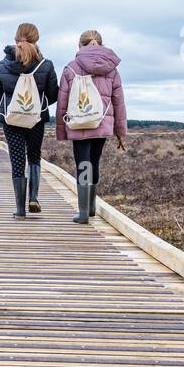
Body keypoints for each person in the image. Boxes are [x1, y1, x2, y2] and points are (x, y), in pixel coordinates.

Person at [55, 29, 127, 224]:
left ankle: (84, 211)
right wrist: (120, 131)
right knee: (94, 161)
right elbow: (118, 101)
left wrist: (61, 130)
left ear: (80, 45)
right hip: (102, 123)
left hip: (79, 123)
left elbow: (62, 101)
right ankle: (92, 207)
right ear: (101, 45)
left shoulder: (71, 68)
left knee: (83, 164)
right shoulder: (112, 69)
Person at [0, 23, 57, 218]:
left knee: (17, 160)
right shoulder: (47, 65)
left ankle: (19, 209)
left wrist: (9, 104)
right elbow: (53, 94)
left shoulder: (2, 66)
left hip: (11, 120)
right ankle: (33, 197)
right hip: (36, 119)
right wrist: (35, 105)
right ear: (37, 39)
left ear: (15, 39)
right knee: (34, 156)